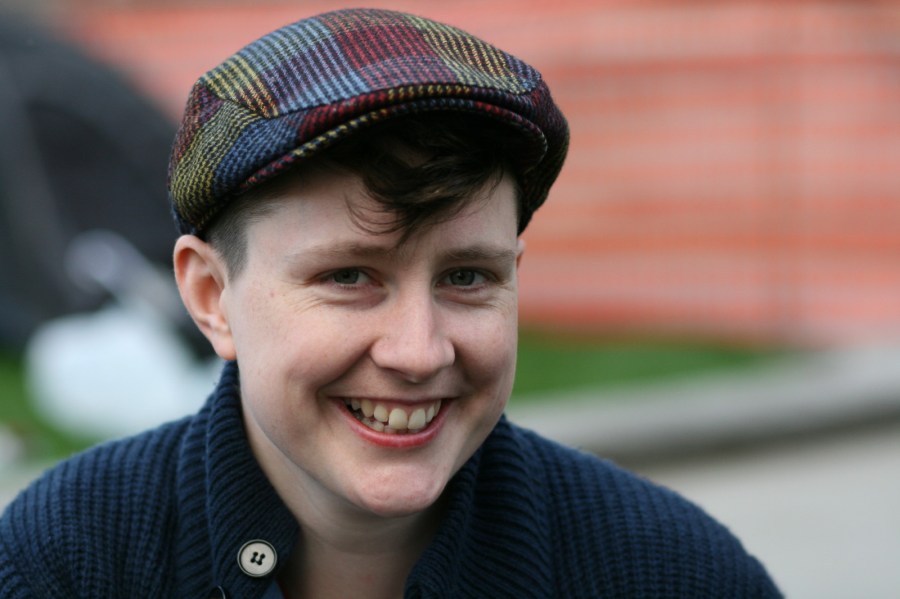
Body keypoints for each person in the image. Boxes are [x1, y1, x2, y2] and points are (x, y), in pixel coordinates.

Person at [0, 8, 782, 598]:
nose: (419, 350)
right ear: (211, 296)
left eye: (466, 277)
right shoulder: (63, 562)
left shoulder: (672, 572)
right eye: (349, 276)